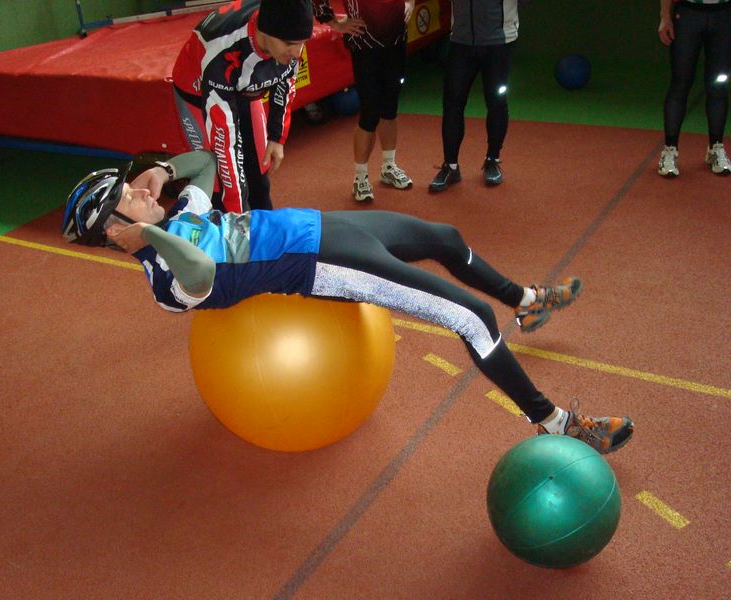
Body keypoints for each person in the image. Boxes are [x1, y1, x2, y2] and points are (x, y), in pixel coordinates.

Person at [61, 150, 635, 454]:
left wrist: (162, 171)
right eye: (127, 197)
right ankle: (555, 423)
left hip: (326, 225)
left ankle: (526, 300)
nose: (139, 191)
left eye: (131, 185)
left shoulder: (179, 213)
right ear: (115, 232)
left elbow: (206, 162)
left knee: (443, 237)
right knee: (472, 317)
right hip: (323, 264)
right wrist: (149, 235)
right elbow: (203, 270)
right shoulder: (165, 280)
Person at [171, 0, 315, 212]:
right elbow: (225, 144)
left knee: (259, 177)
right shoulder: (222, 53)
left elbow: (285, 81)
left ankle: (263, 226)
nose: (296, 52)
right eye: (289, 44)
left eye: (302, 43)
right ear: (265, 32)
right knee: (220, 185)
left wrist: (277, 136)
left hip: (243, 86)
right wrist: (238, 218)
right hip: (199, 94)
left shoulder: (289, 35)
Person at [311, 0, 415, 202]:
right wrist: (335, 23)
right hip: (364, 44)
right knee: (370, 112)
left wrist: (410, 3)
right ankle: (360, 177)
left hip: (396, 40)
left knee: (390, 108)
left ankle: (388, 166)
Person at [429, 0, 522, 192]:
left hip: (499, 41)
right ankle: (451, 166)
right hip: (461, 40)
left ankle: (492, 160)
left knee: (496, 102)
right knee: (452, 103)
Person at [657, 0, 731, 177]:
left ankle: (716, 148)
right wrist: (665, 16)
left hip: (723, 16)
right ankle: (669, 150)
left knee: (718, 86)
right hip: (688, 14)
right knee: (680, 82)